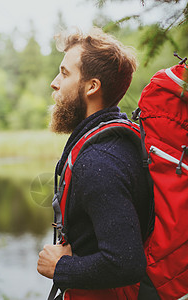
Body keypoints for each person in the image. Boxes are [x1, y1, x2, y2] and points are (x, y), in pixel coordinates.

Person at [37, 28, 152, 299]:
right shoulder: (114, 139)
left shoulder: (99, 161)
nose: (54, 82)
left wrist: (60, 267)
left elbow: (126, 262)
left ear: (92, 86)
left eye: (65, 73)